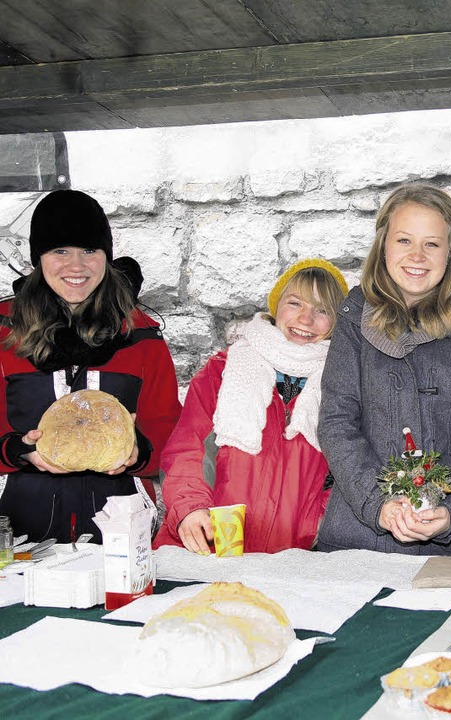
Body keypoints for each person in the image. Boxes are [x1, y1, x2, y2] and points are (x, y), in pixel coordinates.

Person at [317, 184, 451, 555]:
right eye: (404, 240)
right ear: (384, 245)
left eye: (432, 244)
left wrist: (449, 509)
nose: (417, 255)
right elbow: (337, 422)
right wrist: (379, 506)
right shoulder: (353, 317)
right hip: (362, 537)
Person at [0, 189, 181, 543]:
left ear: (106, 256)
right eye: (60, 251)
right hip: (18, 530)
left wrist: (139, 451)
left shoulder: (140, 335)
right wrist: (18, 450)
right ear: (39, 258)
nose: (76, 266)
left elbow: (170, 431)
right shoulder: (4, 332)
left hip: (121, 528)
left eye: (89, 250)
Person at [154, 259, 348, 554]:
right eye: (295, 303)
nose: (306, 319)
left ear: (336, 322)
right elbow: (186, 448)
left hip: (291, 561)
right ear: (276, 305)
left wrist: (317, 526)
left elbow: (349, 473)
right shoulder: (223, 370)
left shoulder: (342, 387)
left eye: (322, 310)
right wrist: (190, 508)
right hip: (207, 550)